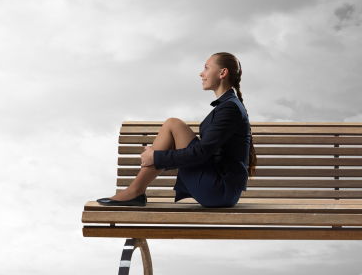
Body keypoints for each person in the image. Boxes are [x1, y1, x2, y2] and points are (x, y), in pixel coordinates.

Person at [96, 52, 256, 208]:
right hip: (221, 187)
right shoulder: (228, 105)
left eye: (206, 68)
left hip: (219, 191)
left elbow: (202, 153)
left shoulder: (230, 108)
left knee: (173, 124)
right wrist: (158, 156)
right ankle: (135, 191)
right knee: (172, 124)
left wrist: (156, 157)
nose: (201, 74)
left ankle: (135, 191)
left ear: (222, 73)